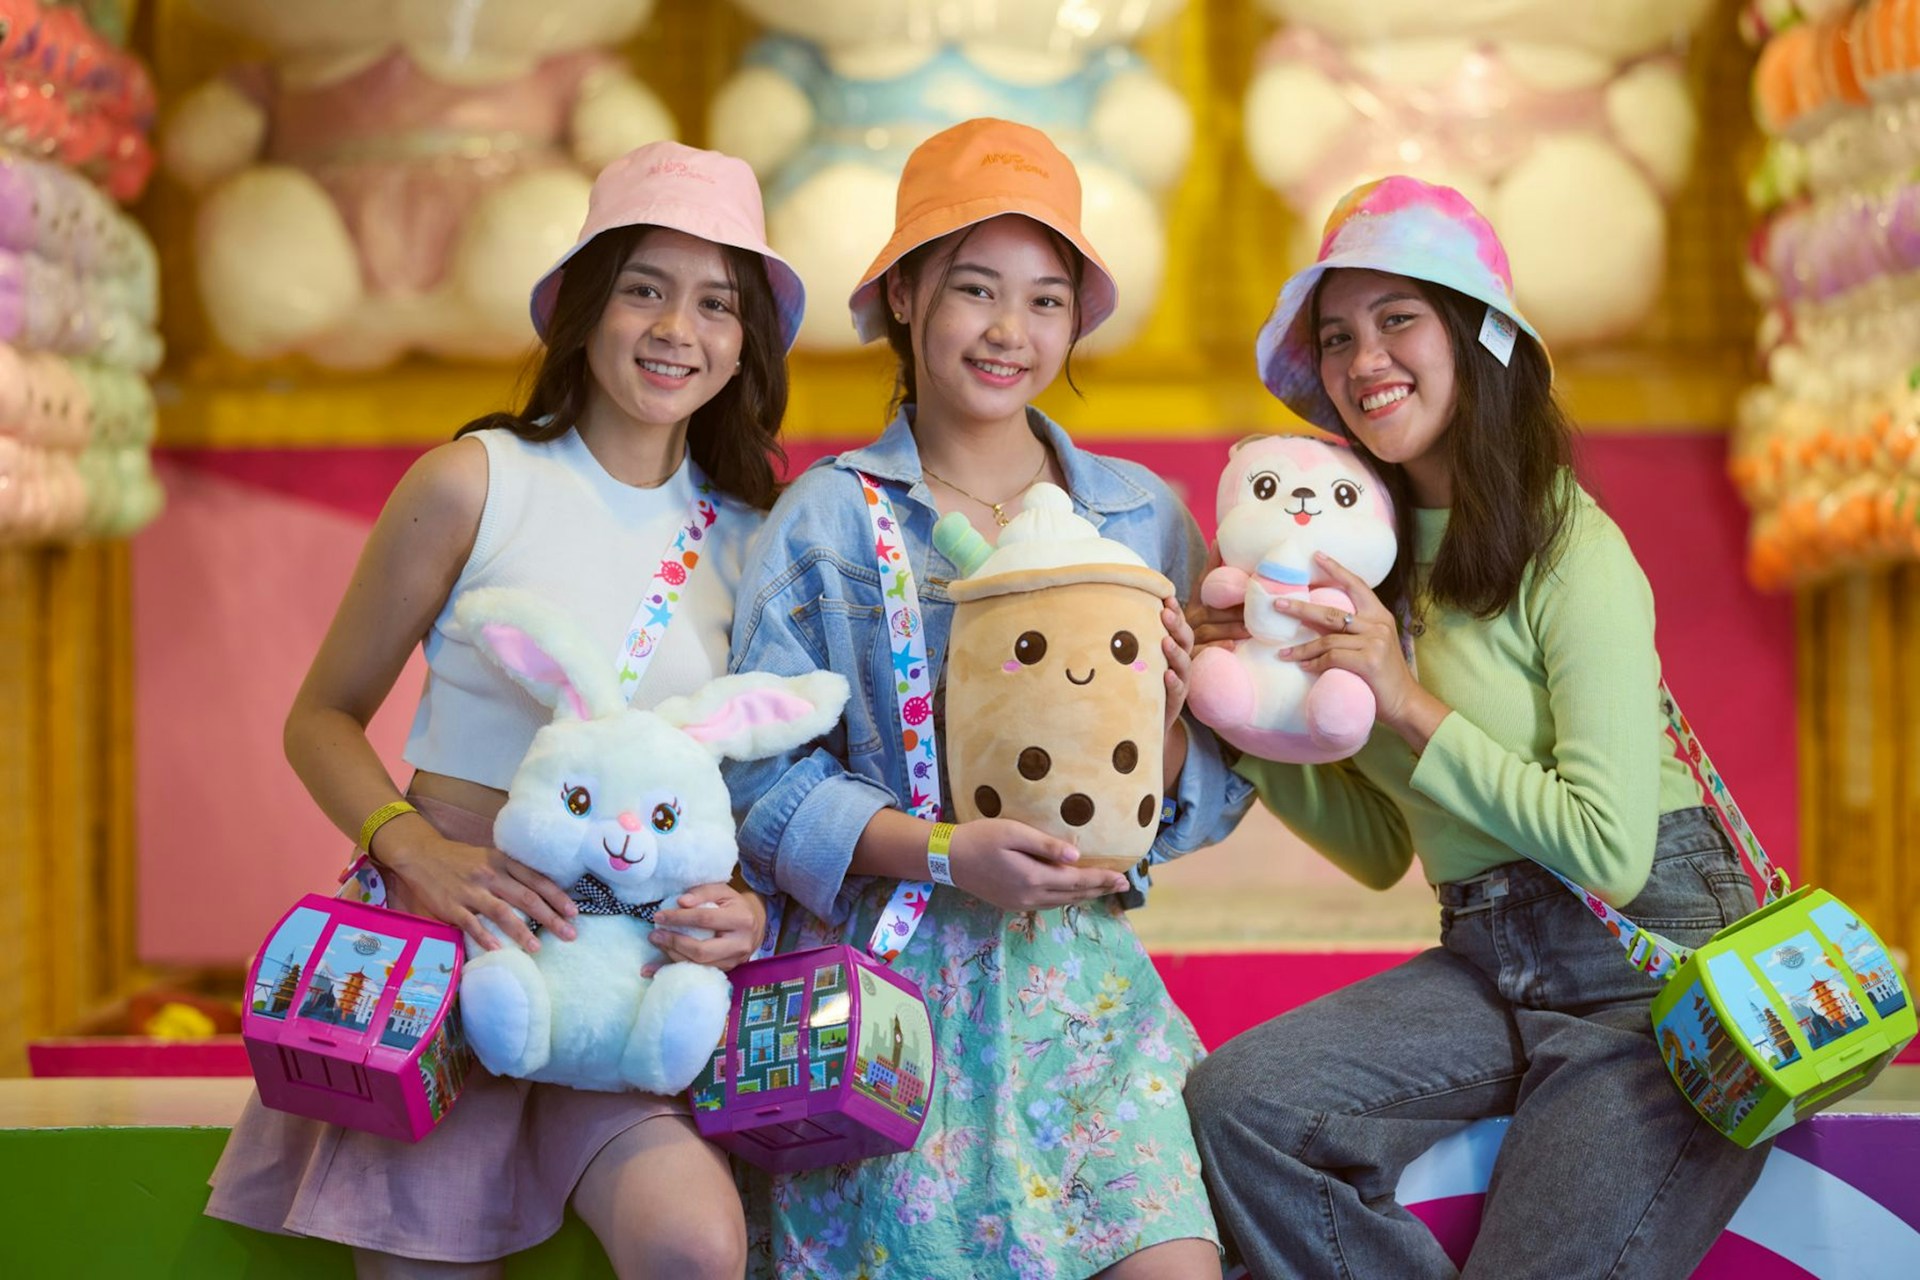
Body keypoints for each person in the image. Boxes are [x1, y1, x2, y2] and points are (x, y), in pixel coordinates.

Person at [204, 140, 807, 1280]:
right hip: (450, 951)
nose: (679, 327)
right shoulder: (469, 482)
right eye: (645, 287)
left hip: (627, 980)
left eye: (717, 303)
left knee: (697, 1242)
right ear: (585, 307)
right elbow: (321, 715)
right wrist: (420, 853)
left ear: (745, 343)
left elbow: (747, 786)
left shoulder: (754, 538)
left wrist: (743, 910)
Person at [1182, 176, 1770, 1279]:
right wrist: (1243, 699)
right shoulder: (1373, 562)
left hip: (1654, 968)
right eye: (1339, 334)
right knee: (1240, 1106)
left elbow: (1609, 846)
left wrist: (1405, 698)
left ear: (1477, 336)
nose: (1366, 363)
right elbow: (1378, 844)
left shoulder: (1568, 543)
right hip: (1489, 952)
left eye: (1399, 318)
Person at [723, 118, 1246, 1279]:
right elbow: (760, 782)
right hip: (886, 999)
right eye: (975, 288)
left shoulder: (1139, 518)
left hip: (1085, 993)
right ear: (905, 293)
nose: (1012, 331)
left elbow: (1203, 791)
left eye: (1048, 298)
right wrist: (948, 852)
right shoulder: (825, 519)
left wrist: (1161, 721)